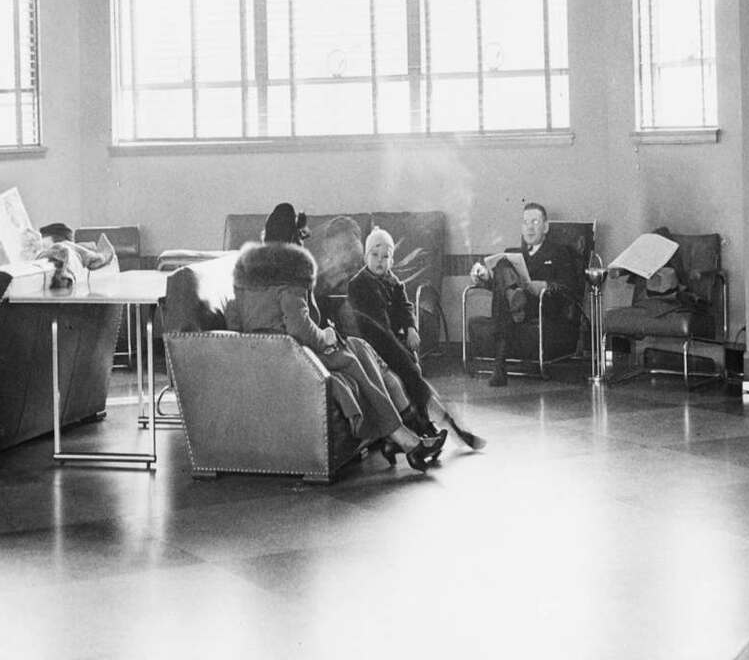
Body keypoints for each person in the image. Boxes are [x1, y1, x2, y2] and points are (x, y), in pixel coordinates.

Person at [228, 203, 447, 472]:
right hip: (291, 354)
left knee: (361, 347)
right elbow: (300, 329)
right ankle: (405, 438)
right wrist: (326, 336)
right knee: (355, 359)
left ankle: (406, 434)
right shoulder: (291, 271)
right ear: (295, 241)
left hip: (261, 353)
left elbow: (234, 319)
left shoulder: (245, 271)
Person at [346, 227, 485, 451]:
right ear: (365, 257)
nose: (380, 261)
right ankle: (438, 425)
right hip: (374, 346)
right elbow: (377, 330)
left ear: (391, 260)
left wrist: (411, 327)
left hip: (392, 340)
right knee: (410, 375)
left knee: (414, 373)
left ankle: (430, 424)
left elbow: (404, 306)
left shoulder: (391, 280)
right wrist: (401, 352)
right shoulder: (360, 284)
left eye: (386, 257)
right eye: (375, 255)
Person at [470, 201, 581, 387]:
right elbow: (498, 287)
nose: (530, 227)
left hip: (542, 304)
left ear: (545, 227)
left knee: (506, 292)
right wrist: (483, 278)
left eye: (535, 222)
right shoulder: (512, 254)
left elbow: (570, 286)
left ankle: (500, 363)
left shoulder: (559, 252)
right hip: (517, 310)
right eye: (525, 222)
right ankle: (514, 300)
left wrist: (544, 284)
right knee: (502, 265)